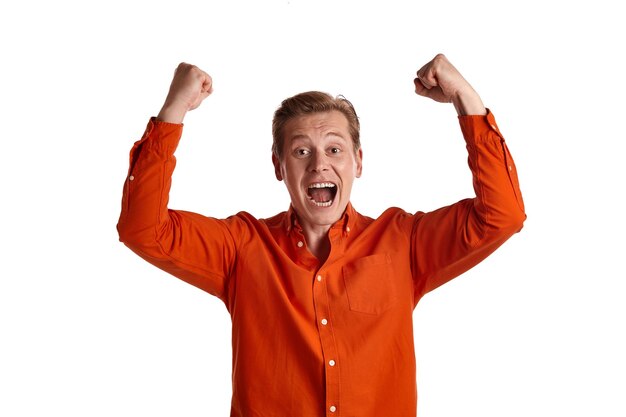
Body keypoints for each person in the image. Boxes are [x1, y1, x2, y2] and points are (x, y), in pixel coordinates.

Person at [117, 53, 526, 417]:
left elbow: (502, 215)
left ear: (358, 162)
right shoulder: (242, 247)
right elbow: (142, 229)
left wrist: (465, 99)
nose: (319, 165)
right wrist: (174, 110)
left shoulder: (403, 242)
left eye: (334, 149)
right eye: (301, 151)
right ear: (279, 167)